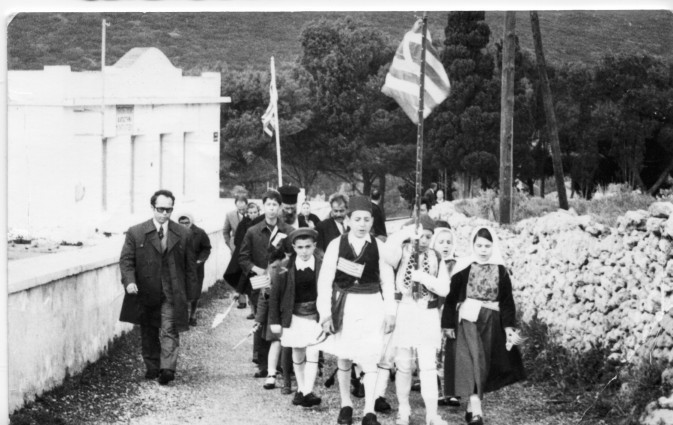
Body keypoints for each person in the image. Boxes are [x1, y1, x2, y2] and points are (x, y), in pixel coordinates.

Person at [317, 196, 396, 425]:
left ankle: (369, 410)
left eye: (367, 220)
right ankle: (346, 405)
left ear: (373, 222)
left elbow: (387, 282)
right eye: (358, 219)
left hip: (372, 305)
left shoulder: (379, 247)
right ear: (348, 220)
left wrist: (390, 312)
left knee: (370, 358)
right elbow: (325, 282)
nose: (362, 224)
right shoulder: (336, 244)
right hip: (345, 305)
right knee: (344, 357)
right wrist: (325, 314)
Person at [441, 226, 526, 425]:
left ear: (493, 246)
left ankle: (472, 408)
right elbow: (451, 298)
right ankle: (477, 409)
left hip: (491, 323)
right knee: (473, 363)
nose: (483, 250)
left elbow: (506, 301)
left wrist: (508, 328)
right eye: (479, 245)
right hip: (468, 321)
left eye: (487, 246)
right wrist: (447, 324)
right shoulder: (464, 268)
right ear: (473, 245)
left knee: (484, 366)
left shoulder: (501, 270)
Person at [119, 189, 197, 385]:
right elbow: (127, 260)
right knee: (149, 329)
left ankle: (167, 369)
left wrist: (191, 293)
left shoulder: (183, 233)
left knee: (170, 328)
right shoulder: (136, 232)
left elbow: (190, 266)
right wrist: (130, 282)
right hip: (146, 290)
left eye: (168, 210)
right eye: (161, 209)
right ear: (152, 207)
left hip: (172, 291)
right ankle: (152, 366)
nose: (164, 214)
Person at [386, 215, 450, 425]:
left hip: (427, 314)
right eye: (420, 235)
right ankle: (404, 408)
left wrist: (423, 278)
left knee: (428, 365)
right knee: (404, 364)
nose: (423, 240)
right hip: (404, 310)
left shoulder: (437, 257)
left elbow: (444, 288)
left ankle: (432, 414)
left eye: (428, 236)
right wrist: (406, 233)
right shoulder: (402, 252)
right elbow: (387, 253)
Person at [239, 190, 295, 380]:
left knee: (282, 321)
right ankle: (263, 364)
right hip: (260, 282)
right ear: (263, 206)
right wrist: (258, 270)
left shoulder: (288, 231)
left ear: (280, 208)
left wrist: (281, 272)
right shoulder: (253, 231)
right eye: (268, 205)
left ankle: (283, 365)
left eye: (275, 205)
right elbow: (243, 258)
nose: (271, 209)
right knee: (260, 320)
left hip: (282, 283)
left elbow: (293, 258)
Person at [268, 228, 324, 407]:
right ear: (293, 247)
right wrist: (275, 321)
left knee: (313, 350)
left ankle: (307, 390)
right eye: (300, 247)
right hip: (293, 316)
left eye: (308, 246)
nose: (304, 251)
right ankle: (301, 390)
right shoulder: (284, 267)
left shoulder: (322, 264)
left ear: (314, 245)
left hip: (315, 315)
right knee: (298, 351)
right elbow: (275, 296)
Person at [431, 226, 461, 407]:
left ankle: (452, 391)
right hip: (435, 310)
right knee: (435, 351)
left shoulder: (457, 265)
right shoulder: (432, 264)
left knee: (451, 350)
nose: (445, 246)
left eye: (449, 242)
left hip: (451, 313)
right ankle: (437, 390)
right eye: (441, 242)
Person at [177, 212, 212, 327]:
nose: (184, 225)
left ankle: (193, 315)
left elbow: (206, 248)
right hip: (181, 268)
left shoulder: (199, 233)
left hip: (195, 268)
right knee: (182, 292)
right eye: (181, 223)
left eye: (186, 223)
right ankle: (183, 317)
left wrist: (200, 260)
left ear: (191, 222)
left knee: (195, 292)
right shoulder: (175, 233)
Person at [223, 194, 249, 308]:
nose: (242, 211)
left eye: (243, 209)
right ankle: (242, 300)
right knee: (238, 272)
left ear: (247, 205)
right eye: (239, 209)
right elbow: (225, 231)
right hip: (236, 248)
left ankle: (253, 300)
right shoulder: (229, 215)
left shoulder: (253, 214)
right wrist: (230, 245)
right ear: (236, 206)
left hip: (250, 247)